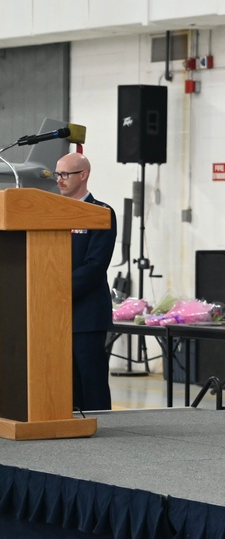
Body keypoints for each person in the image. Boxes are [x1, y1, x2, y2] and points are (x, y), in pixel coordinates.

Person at [55, 152, 117, 412]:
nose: (59, 180)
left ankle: (103, 439)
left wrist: (54, 289)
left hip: (86, 314)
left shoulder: (100, 213)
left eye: (65, 174)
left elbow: (94, 266)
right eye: (57, 174)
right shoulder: (51, 213)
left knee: (90, 382)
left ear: (83, 175)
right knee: (64, 385)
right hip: (55, 315)